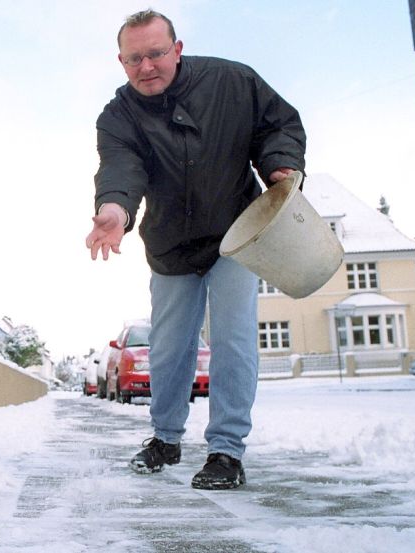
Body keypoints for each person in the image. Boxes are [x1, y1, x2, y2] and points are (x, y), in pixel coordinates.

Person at [85, 9, 305, 490]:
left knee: (232, 340)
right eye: (134, 59)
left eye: (156, 54)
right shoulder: (118, 115)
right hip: (170, 246)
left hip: (235, 234)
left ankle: (226, 452)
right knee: (168, 349)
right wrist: (116, 211)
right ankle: (165, 438)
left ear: (177, 49)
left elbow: (276, 126)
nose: (146, 67)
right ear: (121, 61)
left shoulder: (232, 81)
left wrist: (280, 166)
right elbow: (121, 168)